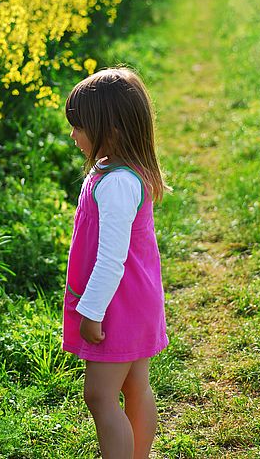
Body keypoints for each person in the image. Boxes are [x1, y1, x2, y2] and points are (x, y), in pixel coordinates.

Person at [62, 65, 172, 459]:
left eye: (79, 126)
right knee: (134, 386)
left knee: (99, 396)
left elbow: (111, 259)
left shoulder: (116, 184)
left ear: (110, 131)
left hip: (116, 306)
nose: (73, 134)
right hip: (135, 300)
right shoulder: (115, 171)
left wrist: (90, 312)